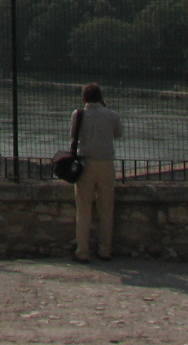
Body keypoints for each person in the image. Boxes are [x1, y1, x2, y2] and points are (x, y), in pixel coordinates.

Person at [71, 82, 125, 262]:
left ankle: (82, 251)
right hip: (106, 164)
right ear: (100, 97)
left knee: (83, 209)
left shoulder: (78, 114)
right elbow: (118, 134)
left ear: (84, 98)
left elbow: (73, 135)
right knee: (106, 209)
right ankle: (105, 250)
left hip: (85, 164)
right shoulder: (112, 115)